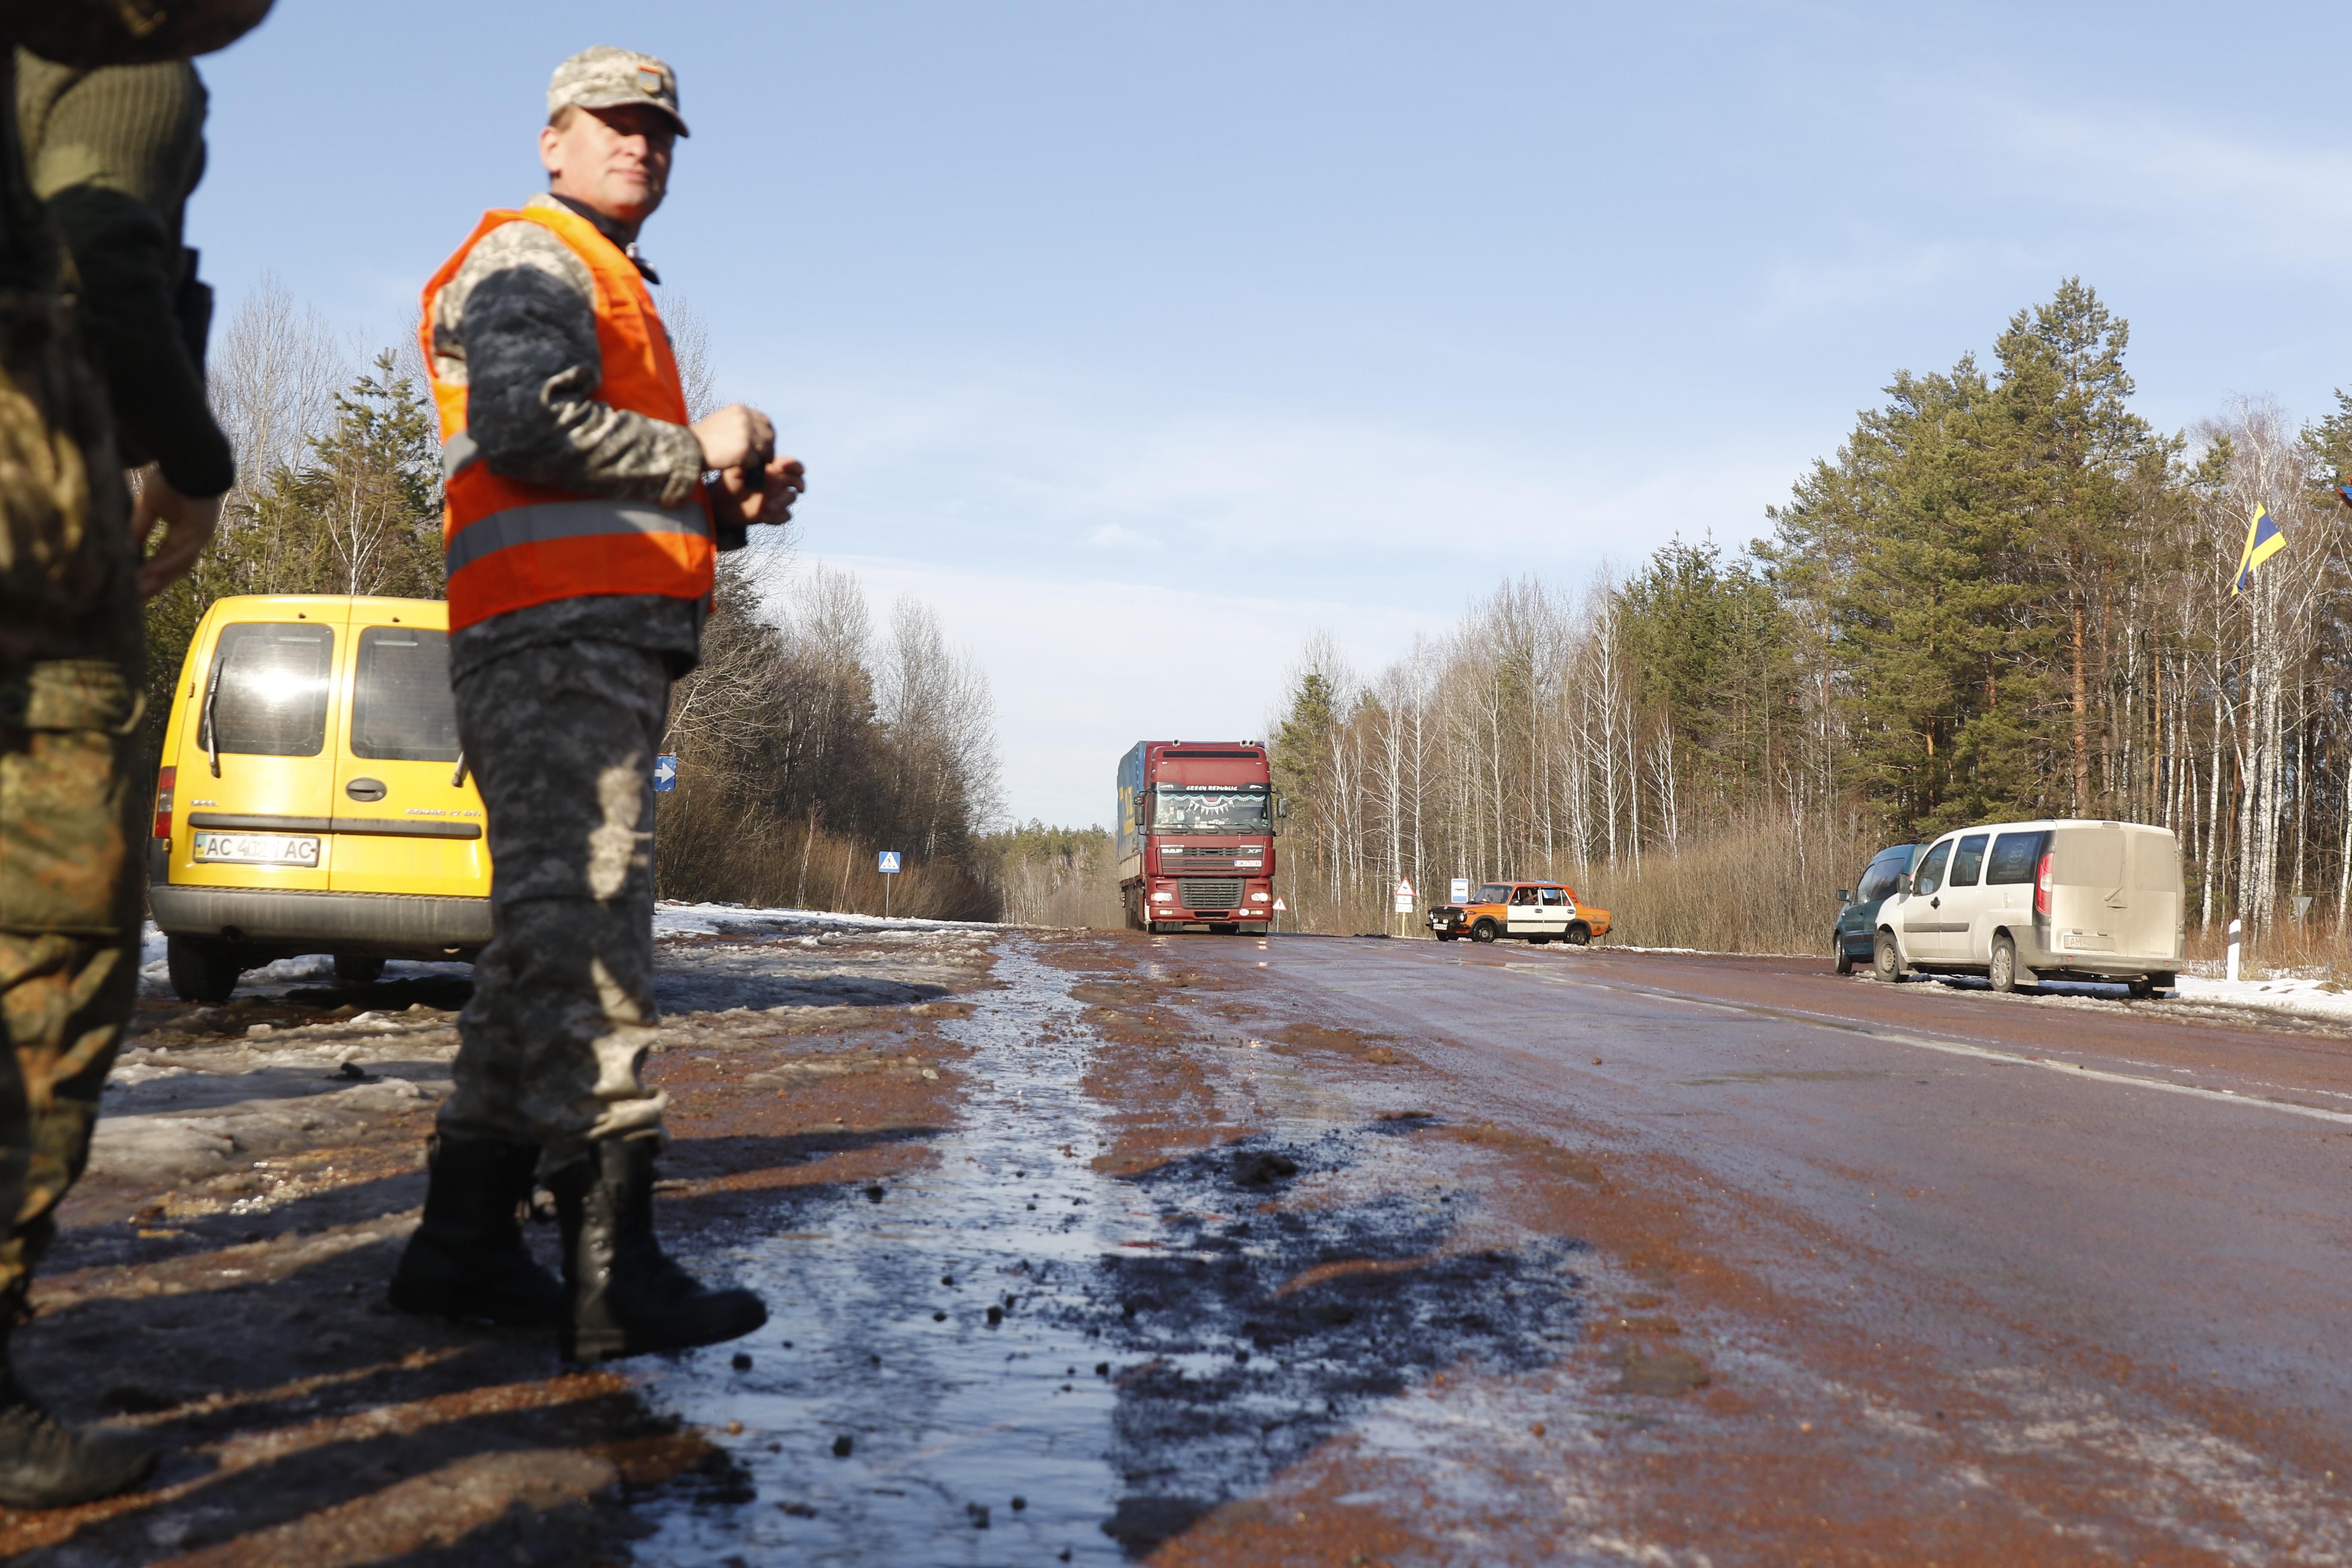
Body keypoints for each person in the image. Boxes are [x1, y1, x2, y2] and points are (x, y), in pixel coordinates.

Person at [391, 46, 799, 1363]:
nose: (643, 146)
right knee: (599, 943)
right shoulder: (532, 259)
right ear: (554, 139)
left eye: (662, 132)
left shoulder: (611, 281)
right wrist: (703, 448)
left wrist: (716, 509)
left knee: (541, 946)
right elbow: (525, 427)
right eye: (615, 125)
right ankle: (616, 1268)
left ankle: (458, 1248)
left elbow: (585, 472)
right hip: (552, 650)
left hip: (589, 645)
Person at [0, 0, 271, 1512]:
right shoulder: (120, 62)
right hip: (34, 531)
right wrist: (195, 456)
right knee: (50, 952)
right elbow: (107, 255)